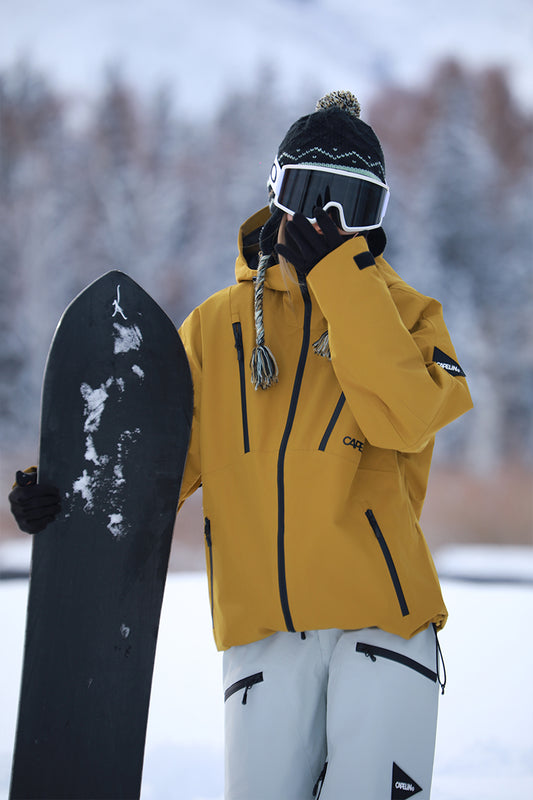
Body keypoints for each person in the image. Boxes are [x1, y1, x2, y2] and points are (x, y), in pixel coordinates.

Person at [10, 90, 473, 799]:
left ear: (376, 219)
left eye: (351, 204)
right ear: (275, 192)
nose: (325, 220)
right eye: (310, 194)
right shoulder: (214, 329)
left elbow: (405, 419)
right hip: (262, 633)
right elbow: (149, 466)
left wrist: (342, 288)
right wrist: (60, 494)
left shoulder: (411, 318)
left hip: (384, 624)